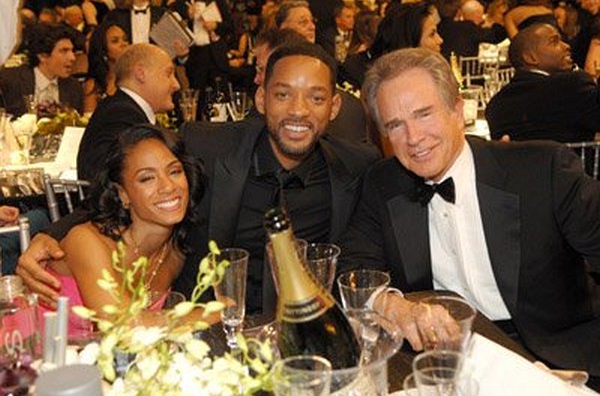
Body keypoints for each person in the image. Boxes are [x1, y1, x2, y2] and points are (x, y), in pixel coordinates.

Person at [17, 42, 380, 317]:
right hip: (209, 333)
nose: (298, 110)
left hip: (304, 338)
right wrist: (53, 233)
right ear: (261, 99)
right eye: (283, 95)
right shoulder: (207, 146)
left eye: (315, 98)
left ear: (333, 107)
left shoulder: (358, 165)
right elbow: (122, 183)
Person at [338, 47, 600, 380]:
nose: (414, 138)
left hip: (558, 359)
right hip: (448, 363)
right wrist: (394, 306)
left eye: (424, 114)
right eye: (395, 125)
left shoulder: (542, 169)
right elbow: (352, 270)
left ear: (458, 110)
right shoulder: (382, 182)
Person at [39, 124, 203, 336]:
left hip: (103, 364)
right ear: (122, 194)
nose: (168, 186)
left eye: (174, 171)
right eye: (147, 178)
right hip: (26, 356)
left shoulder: (174, 253)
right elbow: (123, 325)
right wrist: (219, 313)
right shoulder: (87, 241)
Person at [77, 43, 180, 182]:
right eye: (168, 74)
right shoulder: (120, 115)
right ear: (140, 74)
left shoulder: (123, 110)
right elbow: (104, 179)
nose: (176, 85)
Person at [485, 23, 600, 143]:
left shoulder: (494, 107)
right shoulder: (572, 85)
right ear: (530, 57)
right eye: (554, 42)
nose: (566, 46)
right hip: (575, 161)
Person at [0, 22, 83, 117]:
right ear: (42, 56)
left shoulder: (74, 89)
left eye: (72, 51)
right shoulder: (9, 81)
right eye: (64, 51)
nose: (72, 57)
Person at [83, 21, 130, 114]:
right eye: (115, 41)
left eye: (125, 39)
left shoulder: (135, 78)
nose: (123, 44)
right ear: (103, 50)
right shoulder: (93, 85)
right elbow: (88, 119)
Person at [438, 0, 507, 59]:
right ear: (459, 12)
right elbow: (496, 36)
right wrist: (507, 20)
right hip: (465, 71)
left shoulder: (439, 27)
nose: (482, 20)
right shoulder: (467, 28)